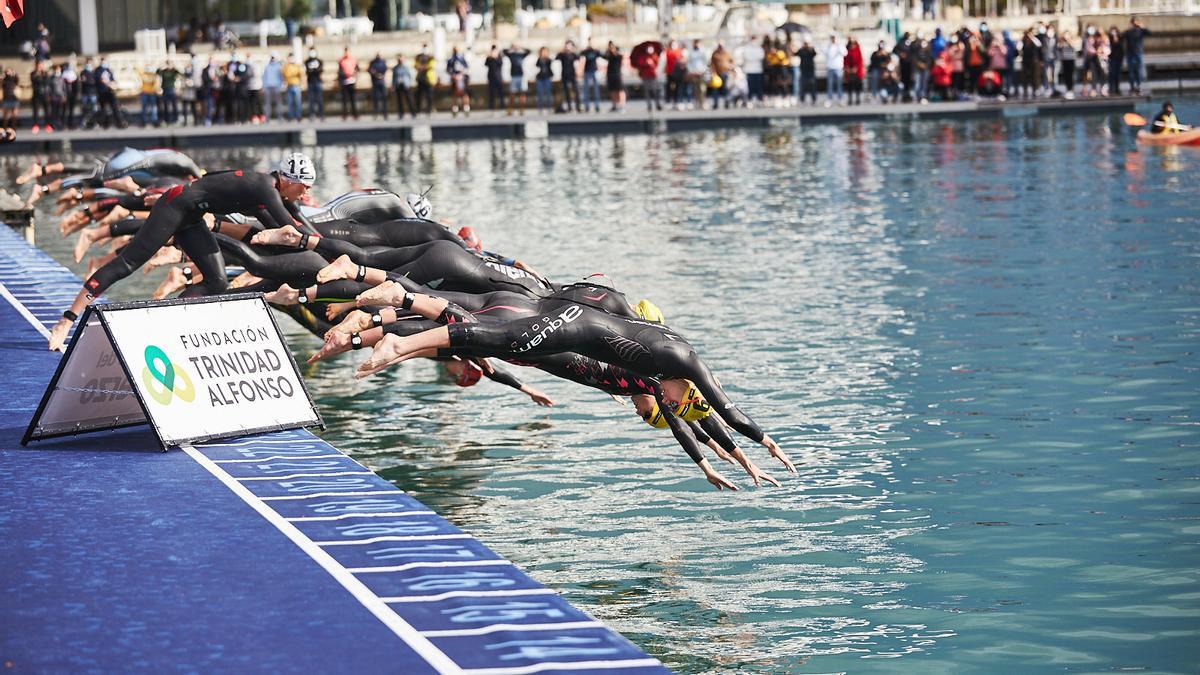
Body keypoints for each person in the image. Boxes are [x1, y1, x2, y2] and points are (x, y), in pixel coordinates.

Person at [47, 154, 319, 351]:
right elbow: (288, 226)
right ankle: (66, 321)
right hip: (174, 207)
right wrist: (326, 248)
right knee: (126, 264)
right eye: (304, 185)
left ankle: (166, 324)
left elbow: (212, 179)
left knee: (218, 281)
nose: (307, 193)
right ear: (287, 180)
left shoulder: (266, 190)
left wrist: (331, 247)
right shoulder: (264, 188)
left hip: (191, 216)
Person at [1123, 16, 1150, 95]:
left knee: (1139, 71)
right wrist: (1128, 28)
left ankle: (1138, 86)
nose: (1135, 23)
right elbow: (1121, 36)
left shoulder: (1141, 31)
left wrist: (1143, 27)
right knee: (1131, 72)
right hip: (1130, 54)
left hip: (1138, 53)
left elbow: (1150, 33)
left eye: (1136, 22)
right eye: (1133, 22)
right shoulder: (1128, 32)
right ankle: (1132, 87)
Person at [503, 43, 530, 114]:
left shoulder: (521, 55)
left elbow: (529, 51)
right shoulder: (511, 55)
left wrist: (520, 47)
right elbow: (504, 51)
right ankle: (510, 109)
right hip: (514, 76)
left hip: (521, 76)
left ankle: (522, 109)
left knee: (522, 93)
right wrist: (512, 48)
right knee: (512, 94)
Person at [556, 40, 581, 113]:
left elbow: (578, 58)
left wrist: (573, 51)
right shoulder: (562, 55)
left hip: (572, 75)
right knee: (567, 92)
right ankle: (569, 107)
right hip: (564, 75)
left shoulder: (573, 54)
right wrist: (562, 50)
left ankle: (578, 106)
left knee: (576, 90)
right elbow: (557, 57)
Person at [580, 38, 603, 112]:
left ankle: (597, 105)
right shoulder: (586, 51)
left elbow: (601, 54)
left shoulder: (595, 51)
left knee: (596, 89)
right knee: (586, 89)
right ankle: (587, 106)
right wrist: (586, 48)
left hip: (594, 70)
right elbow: (580, 54)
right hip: (587, 70)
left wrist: (595, 48)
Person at [447, 46, 470, 116]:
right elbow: (448, 69)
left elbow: (466, 67)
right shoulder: (451, 59)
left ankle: (466, 107)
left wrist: (461, 74)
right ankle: (455, 108)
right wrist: (454, 76)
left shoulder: (461, 58)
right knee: (454, 93)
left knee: (464, 93)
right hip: (454, 78)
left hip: (462, 78)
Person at [824, 34, 846, 106]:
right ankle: (829, 99)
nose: (833, 39)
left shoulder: (840, 45)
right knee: (830, 85)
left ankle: (840, 99)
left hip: (838, 67)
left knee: (839, 84)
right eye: (832, 38)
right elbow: (825, 52)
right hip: (830, 67)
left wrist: (838, 46)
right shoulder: (828, 45)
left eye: (834, 38)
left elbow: (845, 53)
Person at [337, 47, 359, 120]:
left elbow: (357, 69)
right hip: (344, 82)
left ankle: (355, 114)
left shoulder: (353, 60)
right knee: (345, 100)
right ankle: (345, 115)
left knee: (353, 99)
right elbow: (339, 71)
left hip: (352, 81)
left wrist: (354, 74)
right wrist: (344, 75)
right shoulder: (341, 61)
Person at [687, 39, 709, 110]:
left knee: (702, 89)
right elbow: (689, 63)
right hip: (694, 73)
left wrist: (702, 70)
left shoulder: (703, 51)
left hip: (701, 73)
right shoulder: (691, 52)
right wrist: (692, 71)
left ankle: (703, 103)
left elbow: (706, 62)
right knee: (695, 89)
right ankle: (696, 103)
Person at [262, 52, 284, 122]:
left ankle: (280, 117)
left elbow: (281, 76)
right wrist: (264, 86)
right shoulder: (267, 66)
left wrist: (281, 85)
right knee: (267, 103)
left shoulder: (279, 66)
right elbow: (264, 77)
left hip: (276, 86)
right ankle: (267, 118)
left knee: (278, 103)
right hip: (268, 87)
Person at [283, 53, 304, 121]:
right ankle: (290, 116)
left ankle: (298, 116)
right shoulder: (286, 66)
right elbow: (286, 74)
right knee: (290, 102)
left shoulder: (297, 66)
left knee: (298, 102)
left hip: (296, 85)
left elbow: (300, 74)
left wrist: (293, 74)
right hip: (289, 86)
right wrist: (293, 74)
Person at [484, 45, 506, 112]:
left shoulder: (499, 57)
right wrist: (490, 57)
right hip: (491, 78)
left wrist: (495, 57)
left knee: (501, 93)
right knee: (491, 93)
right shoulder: (489, 58)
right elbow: (486, 64)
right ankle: (491, 107)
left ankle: (502, 107)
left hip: (498, 78)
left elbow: (500, 64)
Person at [304, 48, 325, 120]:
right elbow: (307, 71)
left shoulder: (319, 61)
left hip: (318, 81)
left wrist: (313, 70)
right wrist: (314, 70)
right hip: (310, 82)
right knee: (311, 99)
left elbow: (320, 70)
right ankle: (312, 114)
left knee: (320, 99)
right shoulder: (307, 61)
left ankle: (321, 114)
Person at [414, 44, 435, 115]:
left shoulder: (430, 56)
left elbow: (431, 66)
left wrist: (422, 67)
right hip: (420, 78)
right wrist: (422, 67)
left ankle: (429, 109)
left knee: (429, 95)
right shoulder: (418, 56)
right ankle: (418, 110)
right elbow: (415, 65)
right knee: (419, 95)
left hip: (428, 78)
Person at [605, 41, 626, 112]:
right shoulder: (609, 55)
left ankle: (622, 105)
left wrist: (613, 49)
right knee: (612, 90)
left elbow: (617, 54)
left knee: (620, 90)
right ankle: (615, 105)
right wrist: (609, 49)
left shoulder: (619, 56)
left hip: (617, 74)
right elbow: (605, 56)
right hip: (610, 74)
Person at [844, 38, 864, 106]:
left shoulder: (858, 51)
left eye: (853, 44)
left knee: (857, 85)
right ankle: (850, 99)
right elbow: (845, 60)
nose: (852, 45)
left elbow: (860, 61)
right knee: (849, 86)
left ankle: (857, 99)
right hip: (849, 72)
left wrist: (856, 68)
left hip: (856, 72)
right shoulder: (847, 51)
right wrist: (848, 68)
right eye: (851, 44)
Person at [368, 52, 388, 118]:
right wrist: (376, 74)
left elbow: (384, 69)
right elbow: (370, 70)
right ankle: (376, 113)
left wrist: (379, 74)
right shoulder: (372, 63)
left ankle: (385, 113)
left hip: (382, 82)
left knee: (384, 98)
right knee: (376, 98)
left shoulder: (383, 62)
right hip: (375, 82)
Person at [534, 47, 553, 113]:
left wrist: (546, 57)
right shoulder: (539, 60)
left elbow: (550, 63)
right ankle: (540, 108)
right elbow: (537, 65)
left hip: (547, 77)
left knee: (548, 93)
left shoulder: (548, 60)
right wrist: (540, 58)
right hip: (540, 78)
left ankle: (549, 108)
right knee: (540, 93)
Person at [1107, 27, 1123, 96]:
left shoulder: (1120, 38)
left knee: (1118, 74)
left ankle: (1117, 89)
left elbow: (1121, 48)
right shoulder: (1109, 39)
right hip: (1112, 58)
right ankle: (1111, 88)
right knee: (1112, 74)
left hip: (1119, 58)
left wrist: (1117, 39)